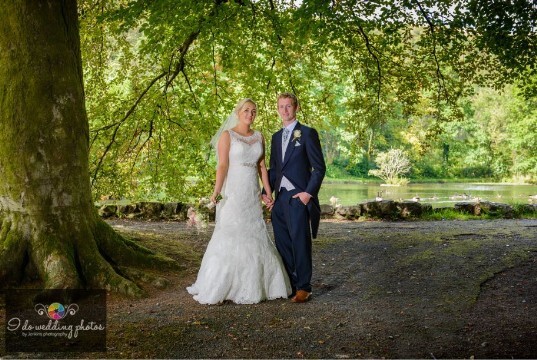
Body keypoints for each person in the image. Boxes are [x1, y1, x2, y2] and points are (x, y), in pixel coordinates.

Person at [187, 98, 291, 305]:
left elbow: (262, 167)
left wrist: (268, 193)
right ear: (238, 112)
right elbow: (223, 165)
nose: (250, 114)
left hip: (251, 192)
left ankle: (260, 284)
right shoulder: (227, 136)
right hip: (233, 191)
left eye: (253, 111)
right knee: (230, 232)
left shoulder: (259, 136)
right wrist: (216, 191)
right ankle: (222, 284)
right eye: (246, 110)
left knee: (254, 232)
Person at [263, 93, 326, 303]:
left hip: (299, 197)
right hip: (280, 199)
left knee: (300, 242)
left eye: (288, 106)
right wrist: (266, 192)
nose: (285, 110)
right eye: (281, 106)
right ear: (277, 109)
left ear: (296, 107)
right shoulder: (275, 137)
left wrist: (308, 194)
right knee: (283, 243)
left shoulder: (307, 133)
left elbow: (319, 168)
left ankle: (304, 287)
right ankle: (291, 283)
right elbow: (274, 170)